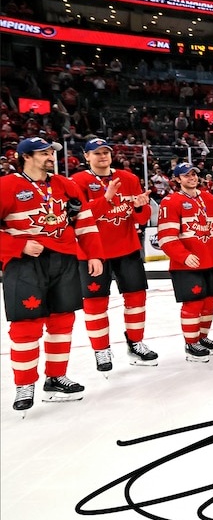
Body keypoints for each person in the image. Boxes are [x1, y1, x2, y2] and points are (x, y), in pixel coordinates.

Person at [0, 137, 103, 412]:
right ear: (25, 156)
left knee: (62, 321)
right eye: (43, 152)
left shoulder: (64, 184)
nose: (50, 156)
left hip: (64, 259)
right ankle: (24, 385)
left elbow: (84, 220)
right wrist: (18, 245)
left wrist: (94, 254)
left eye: (51, 152)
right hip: (25, 263)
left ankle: (56, 378)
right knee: (26, 325)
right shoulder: (7, 186)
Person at [71, 137, 157, 371]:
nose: (102, 156)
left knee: (136, 298)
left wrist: (139, 205)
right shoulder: (77, 181)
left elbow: (141, 218)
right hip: (93, 253)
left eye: (106, 152)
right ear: (86, 156)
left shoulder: (129, 178)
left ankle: (135, 342)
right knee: (96, 303)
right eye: (96, 153)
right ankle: (101, 350)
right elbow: (77, 217)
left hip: (127, 248)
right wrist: (106, 199)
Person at [157, 163, 213, 362]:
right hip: (186, 265)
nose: (191, 178)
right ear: (177, 179)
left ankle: (202, 337)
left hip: (211, 260)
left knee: (210, 301)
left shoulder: (208, 198)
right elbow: (165, 237)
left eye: (193, 174)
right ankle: (191, 343)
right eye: (186, 175)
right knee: (193, 303)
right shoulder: (170, 202)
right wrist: (183, 255)